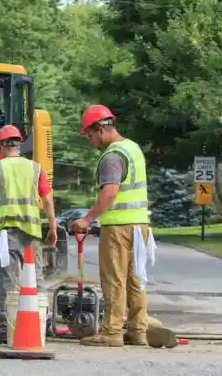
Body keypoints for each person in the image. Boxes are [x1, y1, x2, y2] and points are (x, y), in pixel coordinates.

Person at [70, 104, 150, 347]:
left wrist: (87, 219)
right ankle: (138, 331)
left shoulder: (112, 156)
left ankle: (112, 332)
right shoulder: (133, 148)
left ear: (100, 129)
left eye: (90, 135)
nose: (90, 140)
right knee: (136, 279)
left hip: (118, 228)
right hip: (139, 226)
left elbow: (110, 192)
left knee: (114, 279)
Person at [0, 125, 56, 344]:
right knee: (36, 278)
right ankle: (41, 325)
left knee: (6, 281)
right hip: (31, 232)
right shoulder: (35, 168)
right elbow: (47, 199)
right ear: (18, 145)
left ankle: (3, 329)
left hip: (5, 234)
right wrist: (53, 226)